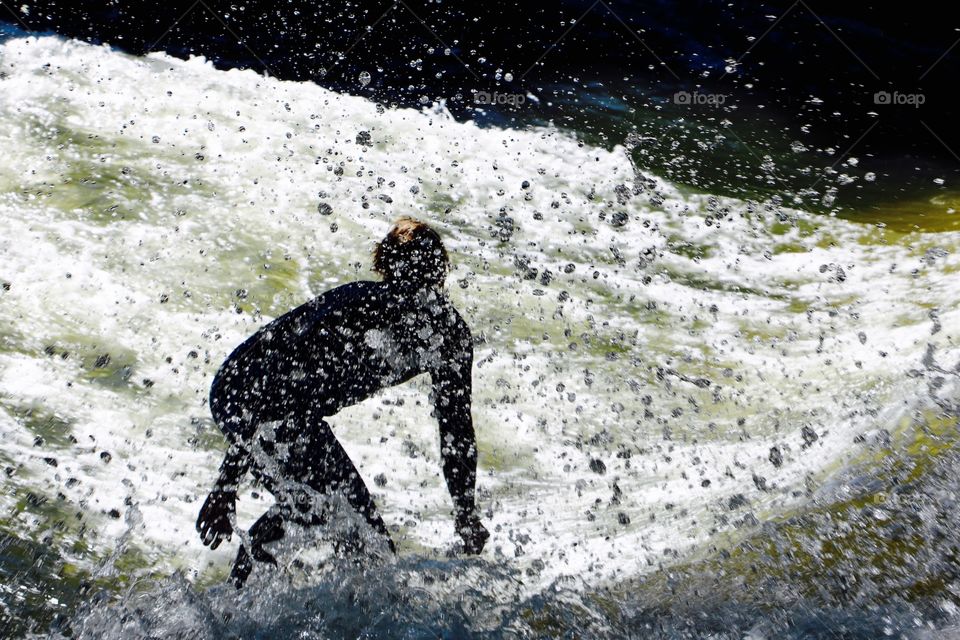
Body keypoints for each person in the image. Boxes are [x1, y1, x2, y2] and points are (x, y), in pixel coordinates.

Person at [196, 217, 489, 587]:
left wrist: (465, 516)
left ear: (439, 273)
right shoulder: (356, 307)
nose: (415, 293)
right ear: (390, 272)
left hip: (291, 409)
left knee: (338, 520)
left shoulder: (448, 338)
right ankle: (238, 593)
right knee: (364, 537)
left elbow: (457, 433)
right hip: (242, 386)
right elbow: (270, 390)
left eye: (427, 274)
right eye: (409, 278)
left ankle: (242, 594)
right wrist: (225, 487)